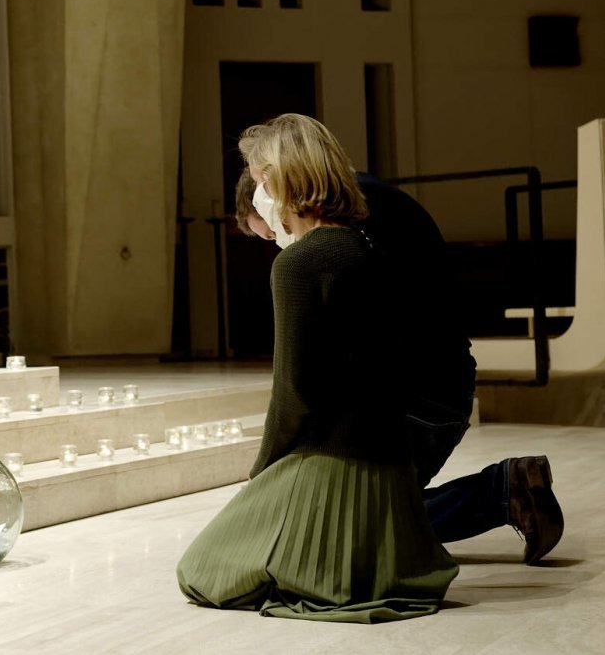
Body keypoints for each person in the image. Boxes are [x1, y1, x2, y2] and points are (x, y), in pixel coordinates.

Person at [177, 115, 459, 622]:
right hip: (389, 463)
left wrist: (262, 471)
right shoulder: (367, 248)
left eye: (260, 180)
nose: (257, 192)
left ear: (285, 179)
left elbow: (294, 392)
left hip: (335, 459)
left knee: (202, 569)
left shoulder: (298, 263)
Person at [235, 140, 564, 565]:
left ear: (275, 188)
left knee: (337, 535)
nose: (279, 241)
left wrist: (265, 472)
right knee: (336, 523)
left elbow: (307, 378)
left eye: (270, 230)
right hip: (432, 387)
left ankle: (501, 492)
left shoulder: (339, 231)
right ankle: (503, 490)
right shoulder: (357, 205)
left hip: (417, 400)